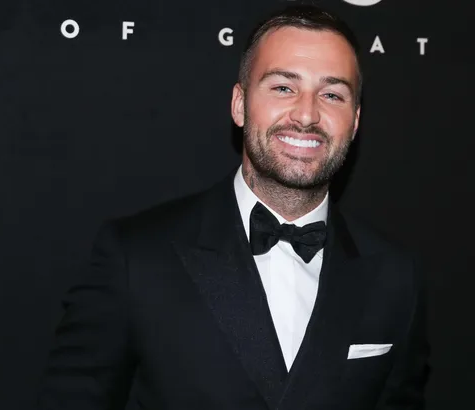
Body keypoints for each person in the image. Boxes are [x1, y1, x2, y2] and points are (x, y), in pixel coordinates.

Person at [37, 4, 429, 410]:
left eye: (331, 94)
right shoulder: (135, 258)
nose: (307, 114)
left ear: (355, 120)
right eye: (283, 87)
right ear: (240, 104)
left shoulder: (395, 276)